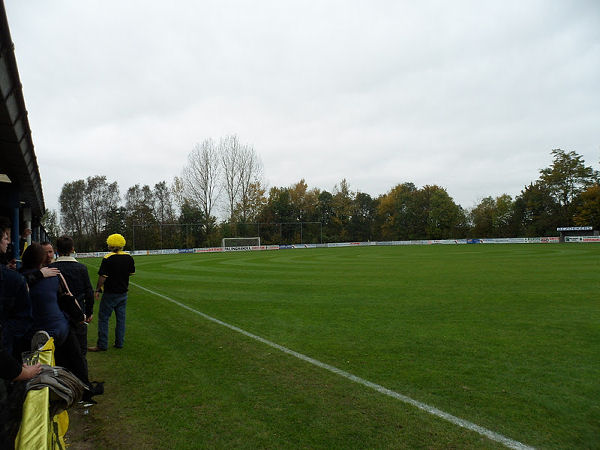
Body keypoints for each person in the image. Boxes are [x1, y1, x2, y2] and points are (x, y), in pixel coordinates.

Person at [50, 236, 94, 371]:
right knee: (80, 352)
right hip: (77, 315)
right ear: (72, 249)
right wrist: (89, 312)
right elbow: (89, 292)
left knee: (60, 353)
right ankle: (81, 383)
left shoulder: (51, 268)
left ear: (57, 250)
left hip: (58, 316)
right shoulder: (81, 268)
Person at [88, 234, 135, 352]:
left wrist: (98, 289)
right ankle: (119, 343)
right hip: (123, 293)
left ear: (110, 244)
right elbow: (131, 273)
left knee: (103, 318)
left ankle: (102, 344)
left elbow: (102, 277)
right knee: (121, 319)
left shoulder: (108, 258)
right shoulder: (129, 257)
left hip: (110, 293)